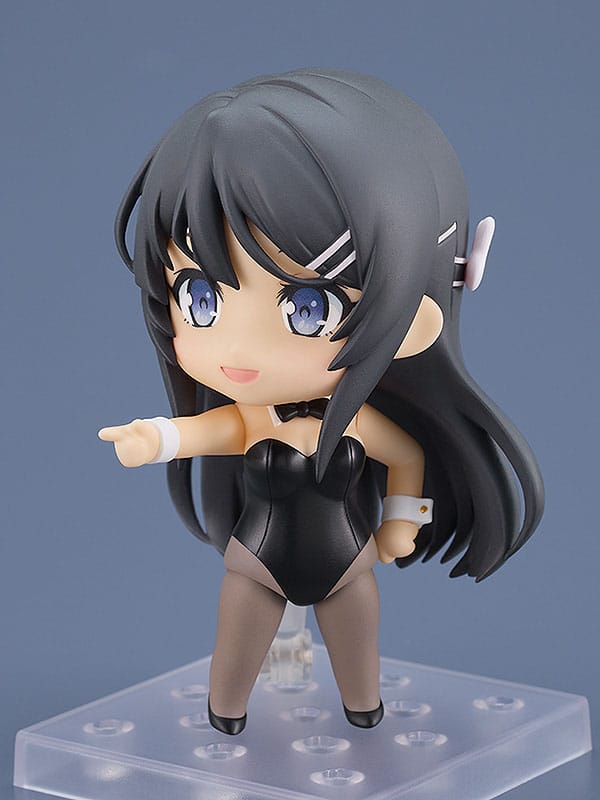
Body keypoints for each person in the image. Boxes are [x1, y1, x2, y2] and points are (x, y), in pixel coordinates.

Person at [99, 69, 544, 735]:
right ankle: (226, 712)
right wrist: (156, 438)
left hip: (348, 562)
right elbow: (209, 431)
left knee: (357, 651)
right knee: (236, 651)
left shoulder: (358, 421)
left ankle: (363, 708)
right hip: (256, 564)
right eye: (200, 297)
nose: (238, 348)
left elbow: (406, 457)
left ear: (411, 311)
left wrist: (401, 521)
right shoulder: (253, 419)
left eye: (308, 306)